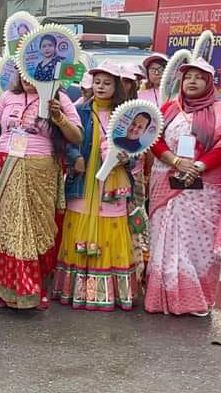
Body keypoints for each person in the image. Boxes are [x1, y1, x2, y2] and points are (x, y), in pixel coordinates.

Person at [146, 58, 221, 316]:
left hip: (204, 188)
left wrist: (198, 166)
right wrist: (175, 161)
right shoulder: (169, 109)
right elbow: (152, 138)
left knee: (199, 248)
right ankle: (162, 299)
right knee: (165, 241)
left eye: (199, 77)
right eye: (188, 77)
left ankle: (196, 300)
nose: (192, 81)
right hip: (166, 182)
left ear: (209, 82)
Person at [0, 73, 83, 309]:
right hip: (6, 164)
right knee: (9, 226)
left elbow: (77, 137)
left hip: (42, 169)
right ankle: (6, 287)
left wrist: (58, 116)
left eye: (35, 74)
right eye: (24, 72)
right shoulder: (7, 96)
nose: (28, 78)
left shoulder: (59, 99)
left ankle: (34, 287)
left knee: (39, 228)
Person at [53, 60, 138, 311]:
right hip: (83, 180)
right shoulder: (79, 111)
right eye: (97, 82)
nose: (101, 87)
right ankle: (77, 291)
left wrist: (127, 158)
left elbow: (136, 146)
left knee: (110, 228)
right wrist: (74, 157)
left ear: (118, 86)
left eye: (107, 83)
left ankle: (105, 294)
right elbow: (66, 139)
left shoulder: (125, 115)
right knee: (78, 226)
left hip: (112, 181)